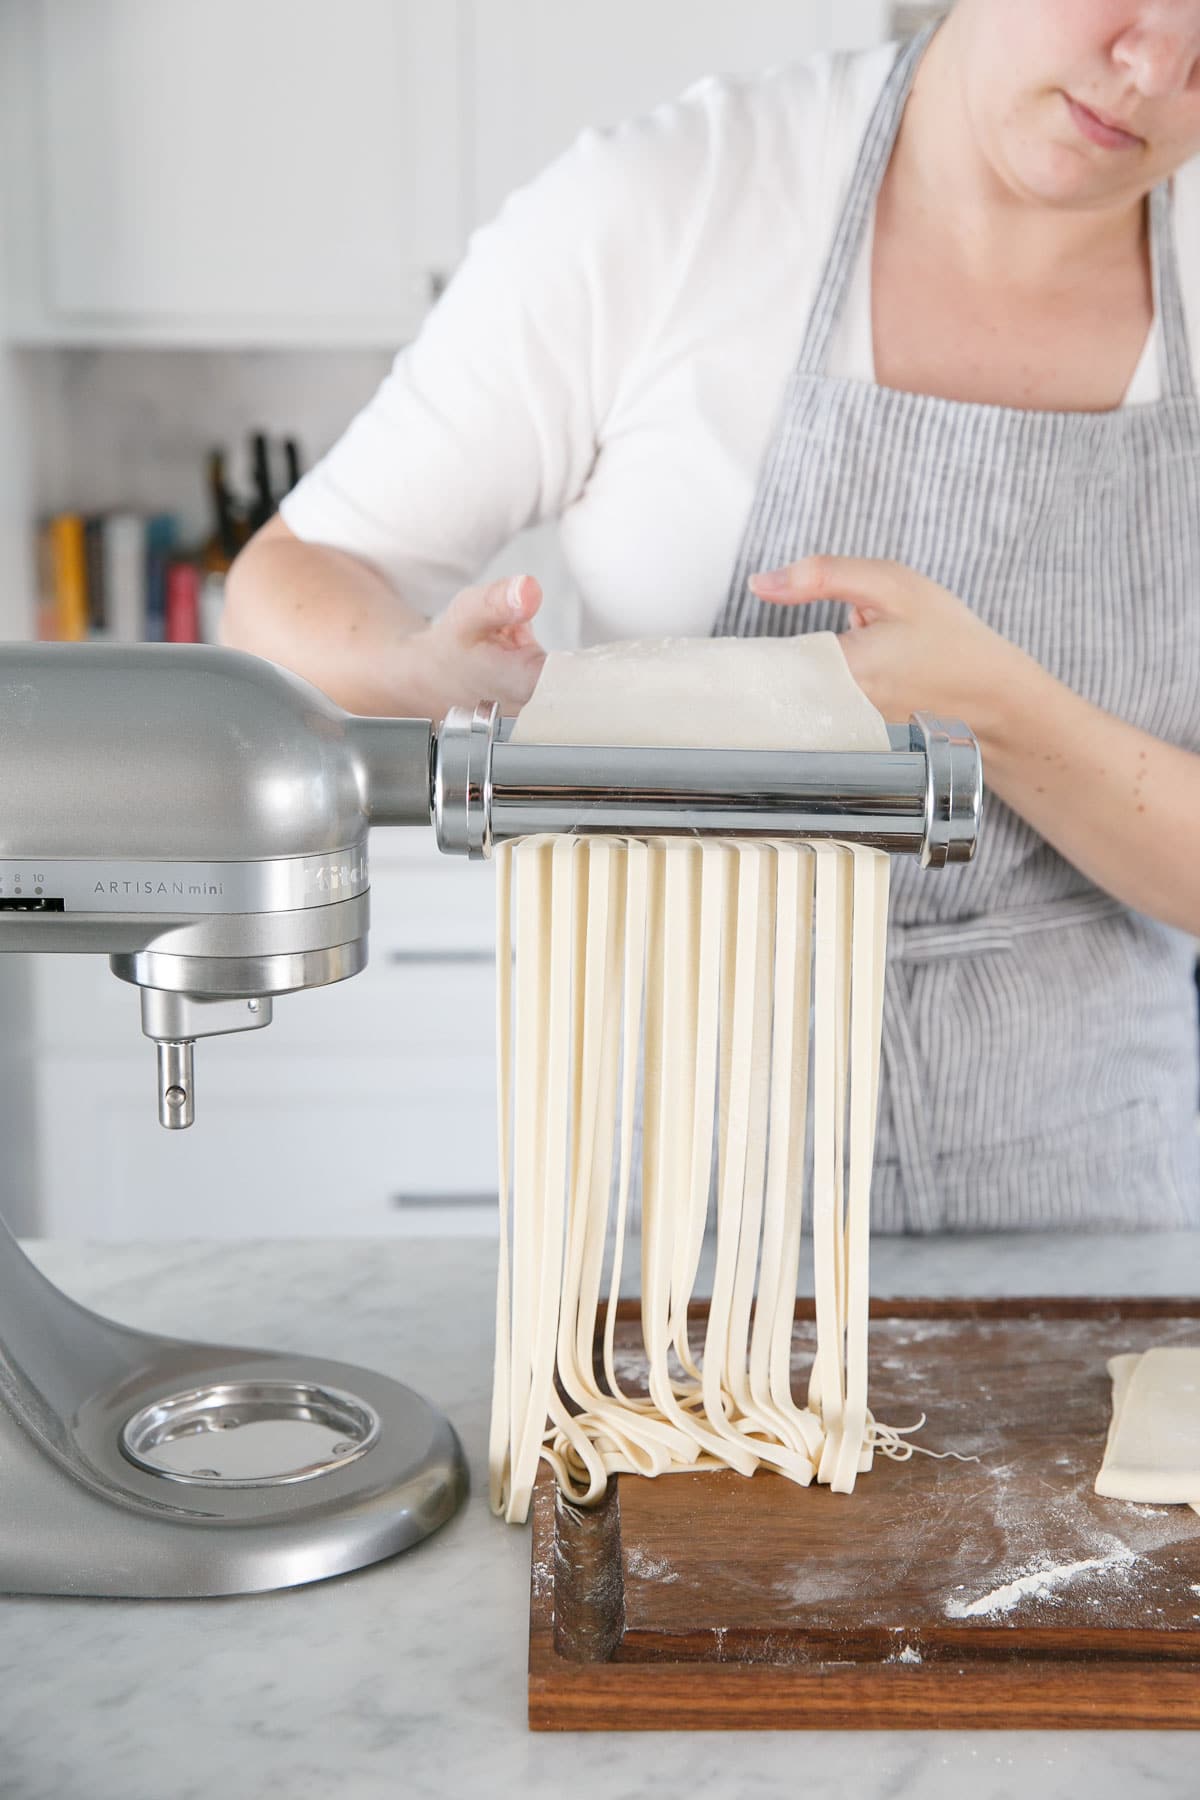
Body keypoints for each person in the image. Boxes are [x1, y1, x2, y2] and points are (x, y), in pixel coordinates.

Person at [222, 1, 1200, 1234]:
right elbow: (291, 576)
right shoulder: (669, 206)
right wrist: (414, 670)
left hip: (1101, 1189)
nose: (1159, 66)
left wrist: (996, 711)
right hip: (683, 1173)